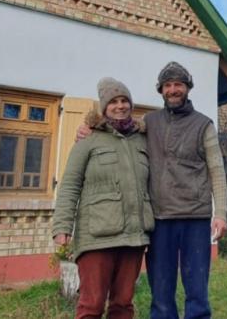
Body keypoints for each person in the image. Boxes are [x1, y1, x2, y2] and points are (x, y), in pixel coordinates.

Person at [77, 62, 227, 319]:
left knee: (197, 290)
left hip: (195, 217)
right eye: (167, 85)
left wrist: (221, 213)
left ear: (187, 87)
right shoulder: (148, 122)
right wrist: (89, 130)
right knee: (161, 291)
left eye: (178, 84)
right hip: (159, 219)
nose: (173, 89)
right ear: (161, 90)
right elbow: (116, 130)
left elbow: (217, 170)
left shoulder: (204, 125)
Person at [53, 77, 154, 319]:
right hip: (96, 236)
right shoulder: (88, 139)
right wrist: (61, 226)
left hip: (133, 236)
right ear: (104, 107)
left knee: (123, 305)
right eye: (113, 102)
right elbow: (70, 185)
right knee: (91, 306)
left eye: (124, 101)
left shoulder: (143, 139)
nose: (120, 106)